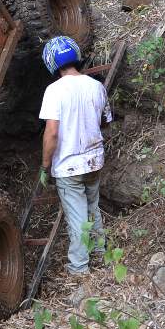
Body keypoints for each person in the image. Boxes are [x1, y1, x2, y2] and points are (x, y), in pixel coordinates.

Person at [38, 36, 112, 276]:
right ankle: (102, 253)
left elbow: (52, 133)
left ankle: (79, 267)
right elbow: (105, 122)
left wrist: (45, 166)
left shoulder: (54, 91)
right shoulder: (96, 86)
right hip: (94, 160)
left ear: (52, 63)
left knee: (77, 216)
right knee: (93, 206)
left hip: (69, 166)